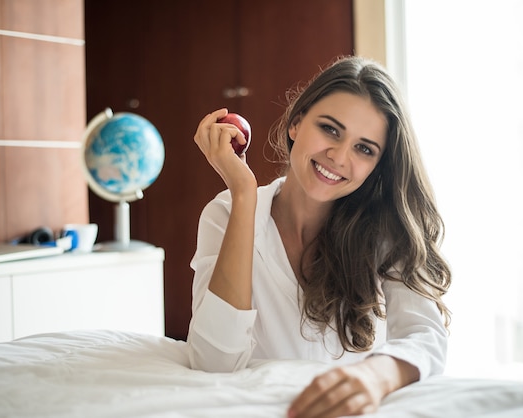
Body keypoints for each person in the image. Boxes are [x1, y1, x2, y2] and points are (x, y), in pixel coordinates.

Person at [188, 55, 452, 417]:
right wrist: (244, 195)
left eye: (364, 148)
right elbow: (213, 361)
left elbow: (425, 335)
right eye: (330, 129)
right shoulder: (226, 212)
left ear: (377, 164)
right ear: (296, 122)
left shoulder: (383, 232)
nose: (339, 156)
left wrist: (375, 376)